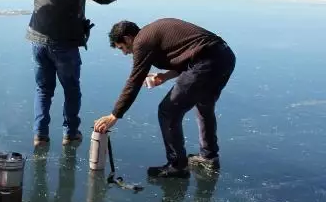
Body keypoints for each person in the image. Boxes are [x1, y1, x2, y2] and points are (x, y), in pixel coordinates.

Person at [94, 18, 236, 178]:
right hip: (224, 57)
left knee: (167, 111)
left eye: (122, 48)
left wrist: (115, 115)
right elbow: (189, 55)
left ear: (128, 38)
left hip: (207, 62)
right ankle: (209, 157)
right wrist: (165, 76)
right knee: (204, 105)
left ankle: (177, 166)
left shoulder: (142, 41)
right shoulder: (151, 34)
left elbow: (135, 80)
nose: (125, 53)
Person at [18, 0, 121, 147]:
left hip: (38, 42)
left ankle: (40, 135)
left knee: (43, 89)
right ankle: (71, 133)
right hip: (64, 45)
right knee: (71, 89)